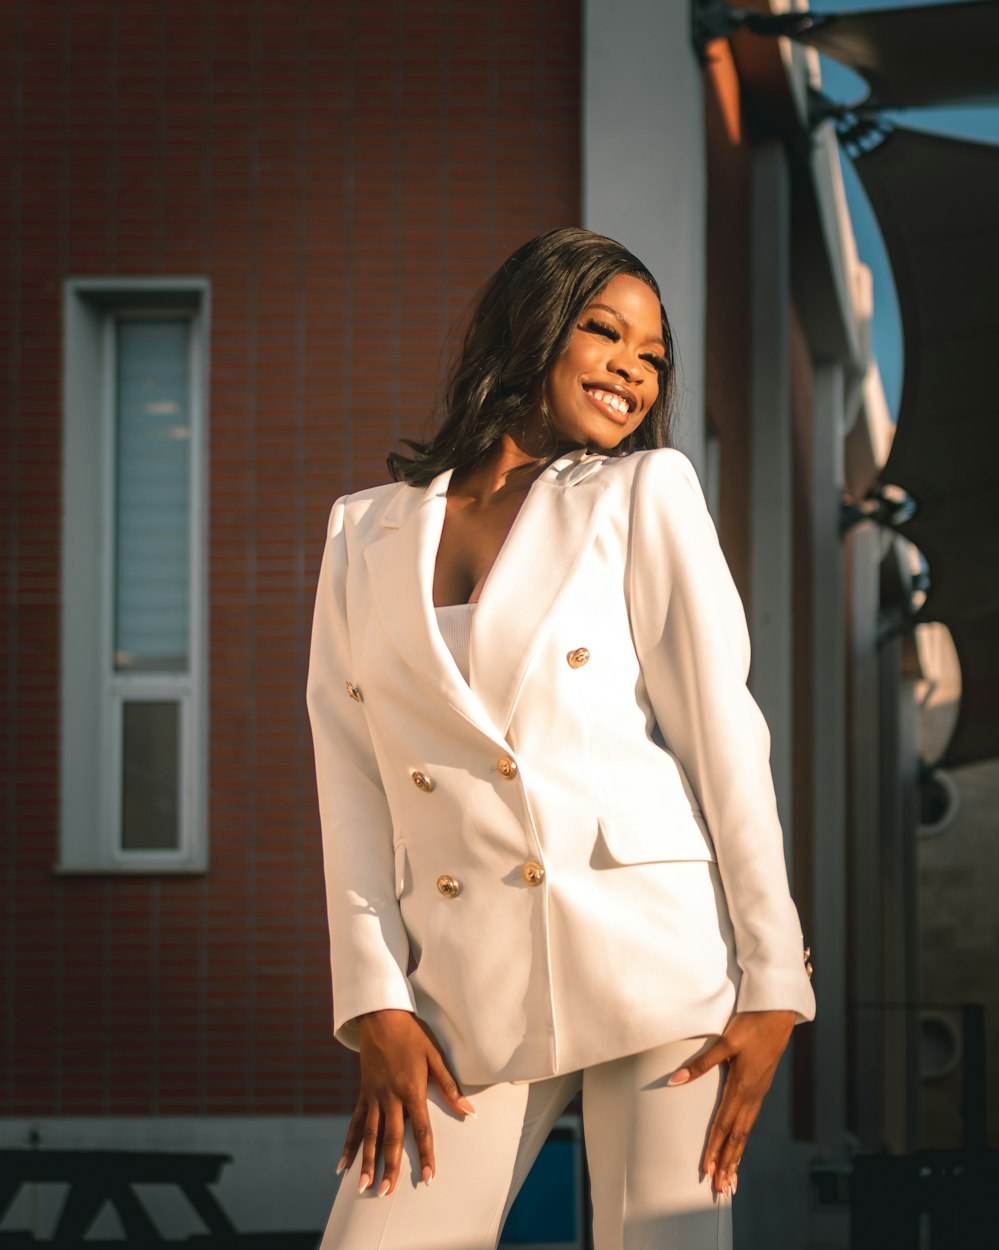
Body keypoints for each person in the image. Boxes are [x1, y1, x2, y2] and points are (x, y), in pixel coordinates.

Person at [307, 226, 815, 1250]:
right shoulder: (362, 533)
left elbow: (724, 732)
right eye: (604, 330)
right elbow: (351, 778)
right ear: (531, 327)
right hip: (462, 979)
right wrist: (374, 1001)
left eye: (653, 354)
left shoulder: (641, 493)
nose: (634, 366)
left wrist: (774, 981)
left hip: (658, 958)